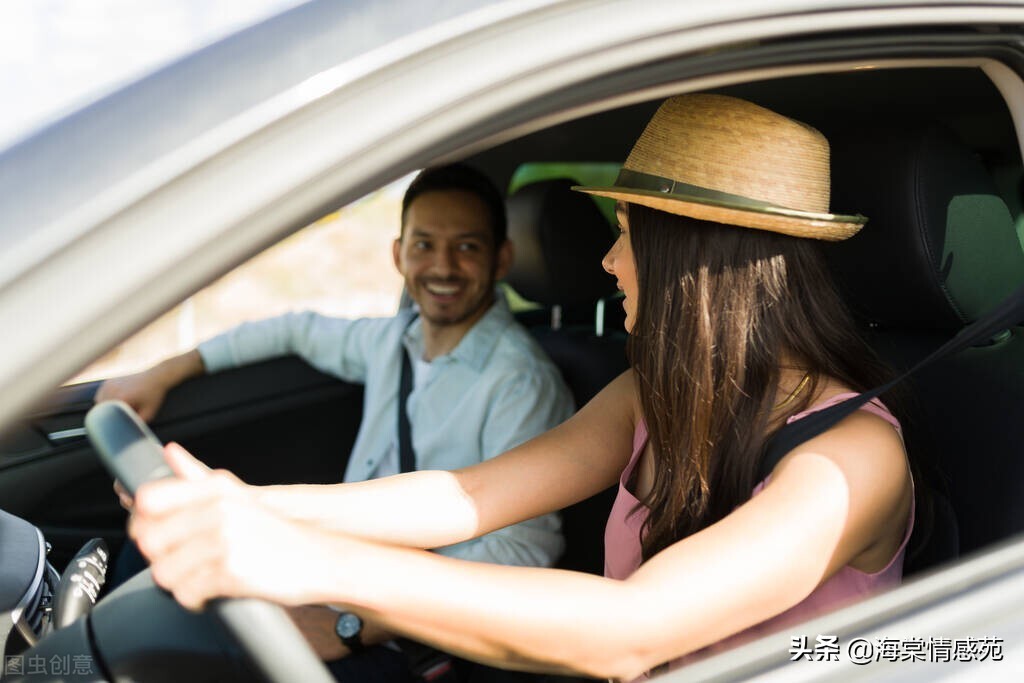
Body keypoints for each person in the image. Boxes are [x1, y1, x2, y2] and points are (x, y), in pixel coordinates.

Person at [126, 94, 915, 681]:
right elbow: (464, 495)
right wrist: (247, 504)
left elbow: (633, 628)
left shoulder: (854, 458)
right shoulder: (653, 394)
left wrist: (314, 564)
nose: (607, 263)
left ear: (693, 261)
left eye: (627, 235)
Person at [97, 164, 575, 679]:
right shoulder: (393, 342)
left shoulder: (521, 383)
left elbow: (522, 555)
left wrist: (355, 618)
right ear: (398, 255)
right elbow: (296, 330)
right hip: (326, 577)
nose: (443, 267)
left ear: (501, 258)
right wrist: (167, 371)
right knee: (144, 571)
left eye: (467, 247)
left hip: (411, 638)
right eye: (423, 245)